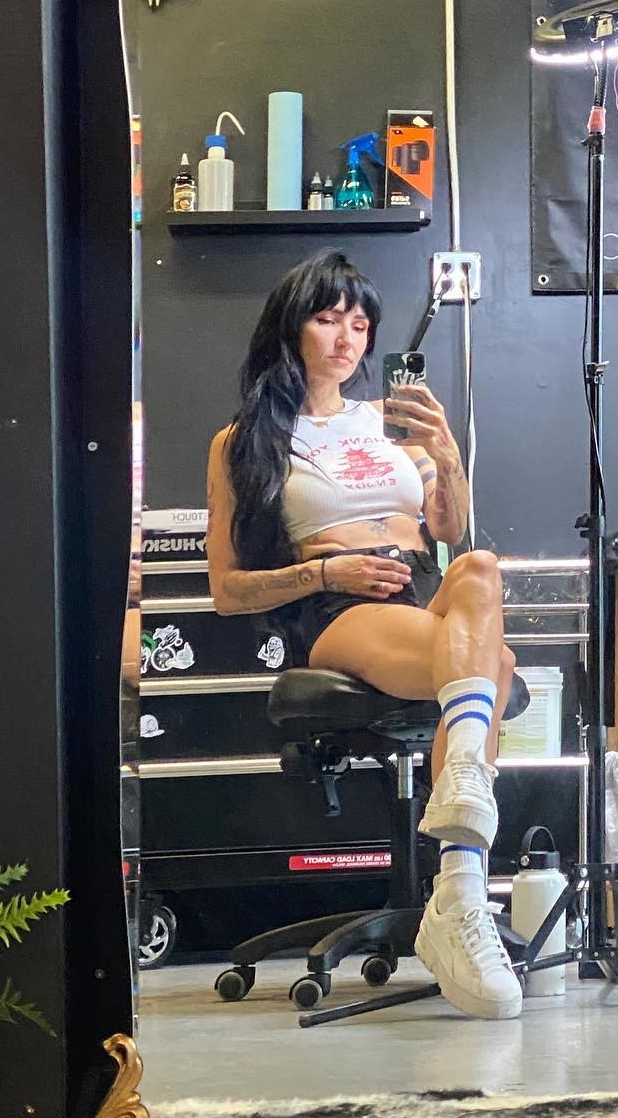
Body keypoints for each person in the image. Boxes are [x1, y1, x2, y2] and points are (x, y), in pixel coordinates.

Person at [205, 249, 522, 1020]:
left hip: (416, 596)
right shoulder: (244, 441)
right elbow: (226, 590)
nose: (347, 336)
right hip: (338, 610)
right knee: (497, 665)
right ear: (293, 327)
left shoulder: (392, 425)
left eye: (359, 322)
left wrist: (447, 457)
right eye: (327, 318)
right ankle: (462, 893)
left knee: (480, 567)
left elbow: (448, 530)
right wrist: (325, 571)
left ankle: (458, 888)